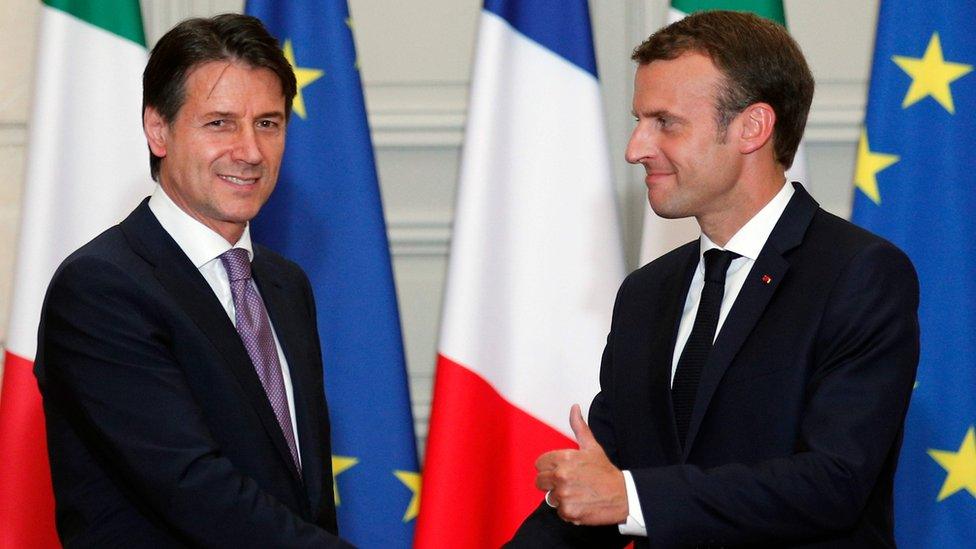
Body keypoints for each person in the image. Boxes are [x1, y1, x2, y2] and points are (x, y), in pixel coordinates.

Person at [509, 10, 919, 548]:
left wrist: (632, 499)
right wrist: (611, 495)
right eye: (638, 121)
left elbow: (833, 482)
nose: (636, 148)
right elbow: (603, 483)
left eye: (665, 123)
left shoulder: (857, 274)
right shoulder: (645, 293)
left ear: (752, 127)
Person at [35, 14, 353, 547]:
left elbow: (303, 497)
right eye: (220, 123)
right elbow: (194, 490)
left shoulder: (283, 284)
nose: (250, 151)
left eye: (268, 123)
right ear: (158, 129)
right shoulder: (100, 288)